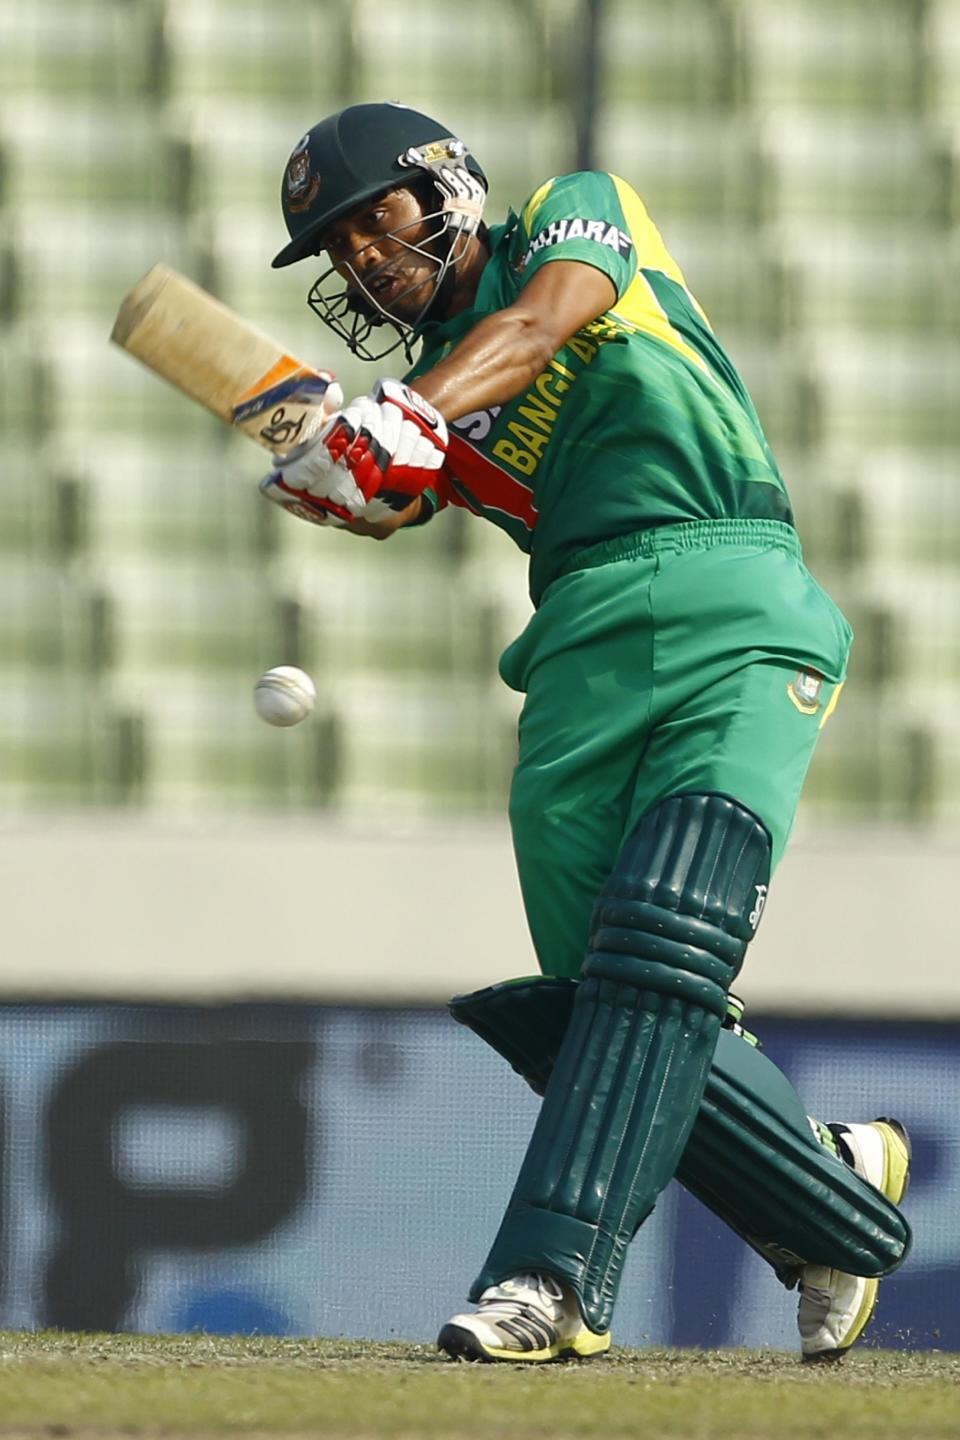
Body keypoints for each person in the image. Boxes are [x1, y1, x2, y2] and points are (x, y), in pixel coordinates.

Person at [262, 101, 911, 1363]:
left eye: (370, 221)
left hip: (732, 588)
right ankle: (832, 1191)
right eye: (336, 252)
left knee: (667, 934)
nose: (360, 260)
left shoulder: (579, 209)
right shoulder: (435, 398)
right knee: (602, 1009)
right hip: (573, 653)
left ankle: (549, 1283)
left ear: (442, 182)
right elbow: (398, 501)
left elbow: (543, 318)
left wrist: (403, 415)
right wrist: (337, 475)